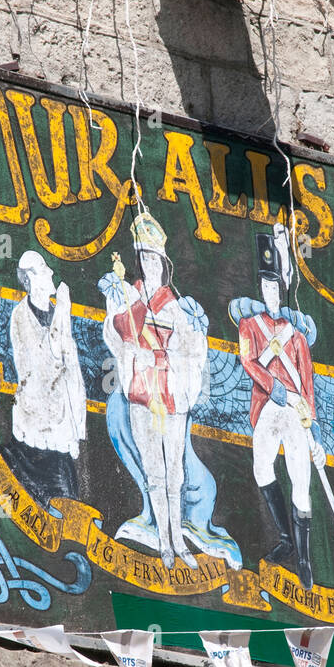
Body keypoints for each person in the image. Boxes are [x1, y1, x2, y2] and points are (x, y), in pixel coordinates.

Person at [100, 211, 207, 570]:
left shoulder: (175, 305)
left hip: (171, 392)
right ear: (140, 262)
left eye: (154, 259)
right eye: (143, 259)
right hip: (142, 391)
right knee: (154, 472)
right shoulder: (128, 296)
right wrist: (133, 348)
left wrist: (178, 350)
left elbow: (193, 350)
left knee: (174, 470)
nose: (150, 265)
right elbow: (114, 336)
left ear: (163, 262)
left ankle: (179, 538)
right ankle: (163, 541)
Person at [233, 224, 325, 590]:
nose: (270, 291)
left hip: (296, 411)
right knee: (261, 469)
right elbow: (247, 361)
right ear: (261, 288)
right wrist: (272, 388)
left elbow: (308, 382)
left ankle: (303, 557)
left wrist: (312, 424)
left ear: (283, 289)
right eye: (265, 286)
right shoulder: (249, 326)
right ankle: (287, 539)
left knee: (301, 482)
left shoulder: (298, 336)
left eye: (275, 286)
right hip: (267, 406)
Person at [0, 249, 87, 506]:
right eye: (43, 268)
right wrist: (62, 312)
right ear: (29, 280)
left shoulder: (57, 311)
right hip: (36, 428)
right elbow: (46, 360)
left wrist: (77, 421)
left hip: (61, 428)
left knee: (67, 502)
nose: (50, 272)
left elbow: (72, 368)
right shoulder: (20, 317)